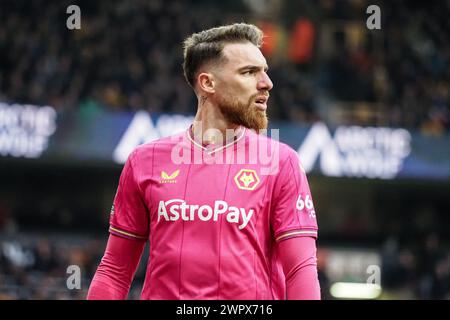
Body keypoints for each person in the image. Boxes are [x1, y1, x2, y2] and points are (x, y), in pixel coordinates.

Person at [87, 23, 320, 300]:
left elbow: (301, 271)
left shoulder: (282, 163)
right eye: (249, 72)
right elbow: (115, 270)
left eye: (265, 72)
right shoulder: (144, 162)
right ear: (208, 83)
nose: (266, 83)